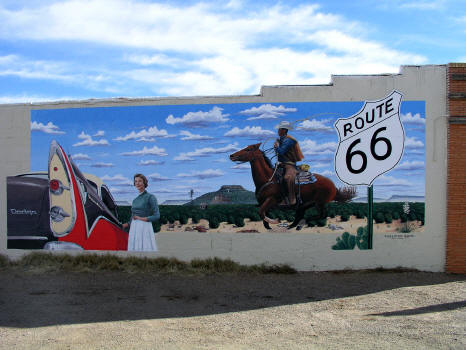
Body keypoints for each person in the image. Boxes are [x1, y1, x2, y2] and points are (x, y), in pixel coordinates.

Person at [122, 174, 159, 251]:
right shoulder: (135, 200)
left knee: (145, 250)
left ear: (144, 182)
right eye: (135, 181)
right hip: (134, 228)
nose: (137, 183)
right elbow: (132, 217)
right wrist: (126, 224)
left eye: (140, 181)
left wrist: (140, 218)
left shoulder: (150, 197)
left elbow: (156, 216)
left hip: (145, 227)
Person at [273, 121, 304, 206]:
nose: (278, 131)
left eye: (279, 129)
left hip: (290, 165)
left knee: (287, 177)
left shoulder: (289, 140)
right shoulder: (282, 140)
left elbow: (282, 152)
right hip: (282, 164)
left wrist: (276, 147)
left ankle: (292, 199)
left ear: (284, 130)